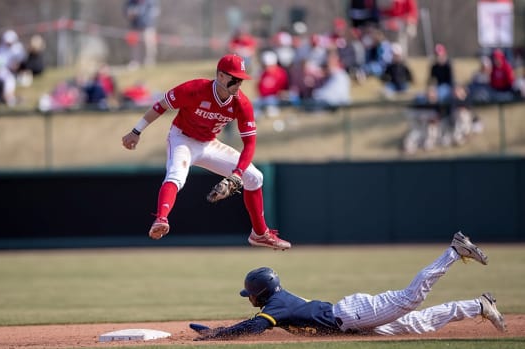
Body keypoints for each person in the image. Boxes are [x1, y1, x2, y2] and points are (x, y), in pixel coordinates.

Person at [188, 232, 506, 340]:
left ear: (262, 294)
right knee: (419, 324)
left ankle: (454, 250)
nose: (250, 299)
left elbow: (252, 328)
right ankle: (479, 305)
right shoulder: (278, 303)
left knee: (411, 299)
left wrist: (216, 334)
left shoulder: (277, 306)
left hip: (353, 315)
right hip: (354, 324)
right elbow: (252, 325)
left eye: (251, 295)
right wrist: (216, 330)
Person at [121, 54, 291, 250]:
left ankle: (260, 234)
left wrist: (236, 175)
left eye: (241, 78)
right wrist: (136, 131)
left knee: (255, 177)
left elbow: (250, 144)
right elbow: (160, 106)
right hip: (182, 138)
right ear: (220, 76)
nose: (238, 83)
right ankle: (161, 219)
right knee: (176, 175)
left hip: (209, 143)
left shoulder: (242, 104)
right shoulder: (195, 89)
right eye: (234, 78)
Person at [124, 0, 161, 68]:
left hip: (148, 26)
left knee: (149, 45)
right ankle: (135, 62)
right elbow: (126, 12)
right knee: (135, 46)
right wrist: (130, 14)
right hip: (135, 27)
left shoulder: (151, 2)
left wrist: (145, 19)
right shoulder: (131, 2)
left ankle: (149, 62)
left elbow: (155, 13)